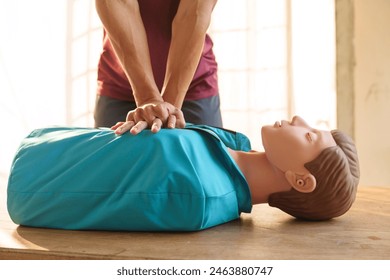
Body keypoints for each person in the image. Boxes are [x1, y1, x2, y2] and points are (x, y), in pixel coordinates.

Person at [7, 116, 359, 231]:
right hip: (45, 142)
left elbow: (96, 201)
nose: (299, 120)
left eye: (310, 136)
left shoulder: (198, 195)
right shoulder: (229, 143)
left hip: (29, 180)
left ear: (300, 179)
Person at [94, 0, 222, 134]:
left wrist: (169, 110)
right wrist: (148, 99)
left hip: (193, 87)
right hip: (119, 87)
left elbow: (192, 13)